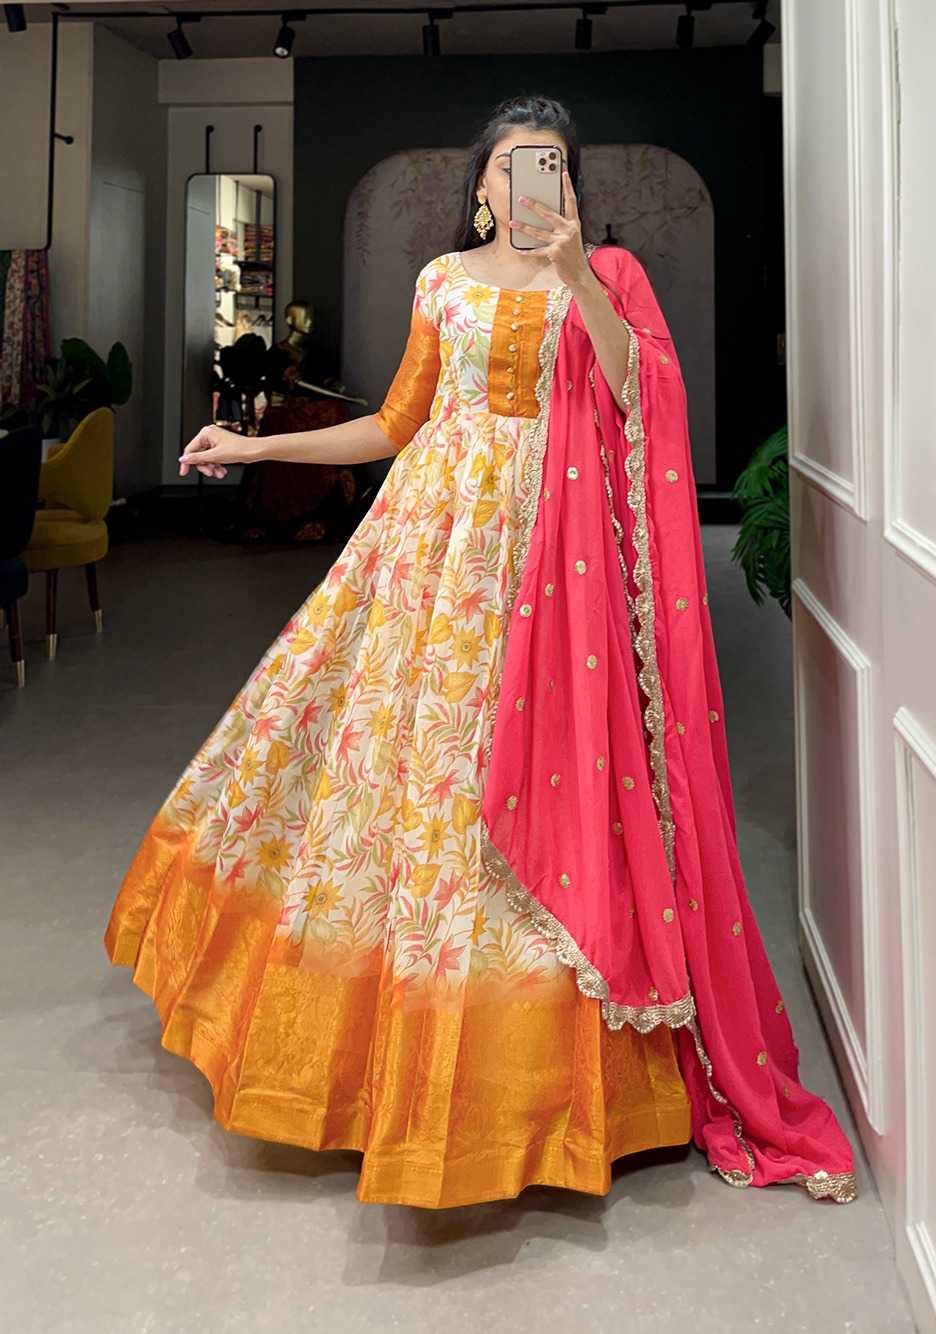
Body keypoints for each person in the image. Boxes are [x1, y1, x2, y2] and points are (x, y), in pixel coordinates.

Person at [104, 95, 858, 1208]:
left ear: (570, 186)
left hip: (557, 563)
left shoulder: (603, 276)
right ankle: (390, 1048)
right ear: (480, 188)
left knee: (547, 778)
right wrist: (254, 445)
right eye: (509, 166)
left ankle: (539, 1078)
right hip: (429, 556)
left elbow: (633, 393)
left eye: (548, 166)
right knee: (415, 777)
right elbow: (394, 423)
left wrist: (576, 275)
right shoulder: (440, 282)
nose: (526, 184)